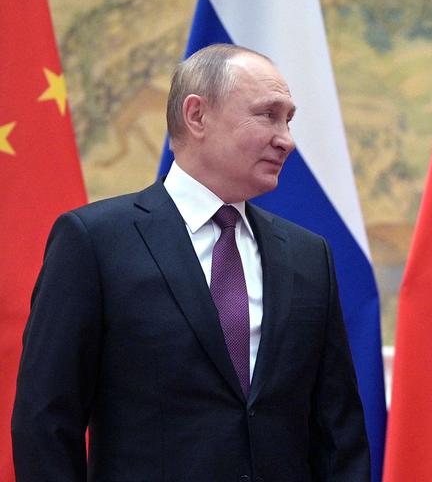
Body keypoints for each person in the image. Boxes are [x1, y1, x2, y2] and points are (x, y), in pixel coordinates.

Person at [12, 44, 371, 481]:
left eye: (288, 120)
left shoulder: (308, 255)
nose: (287, 140)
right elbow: (47, 419)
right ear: (197, 115)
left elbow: (338, 429)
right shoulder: (95, 242)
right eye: (268, 115)